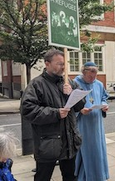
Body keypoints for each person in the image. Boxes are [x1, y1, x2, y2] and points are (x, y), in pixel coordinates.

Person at [20, 49, 86, 181]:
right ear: (47, 64)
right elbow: (27, 109)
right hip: (48, 144)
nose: (63, 67)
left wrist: (72, 93)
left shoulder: (69, 82)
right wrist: (55, 113)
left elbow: (80, 105)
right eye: (59, 64)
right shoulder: (36, 84)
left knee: (70, 176)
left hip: (69, 142)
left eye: (64, 64)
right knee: (43, 177)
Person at [73, 62, 109, 181]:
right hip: (83, 125)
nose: (93, 78)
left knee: (98, 151)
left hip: (97, 125)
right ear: (83, 73)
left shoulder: (98, 84)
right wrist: (80, 110)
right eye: (90, 76)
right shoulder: (75, 84)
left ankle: (99, 176)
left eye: (95, 76)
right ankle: (85, 177)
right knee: (86, 151)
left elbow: (104, 97)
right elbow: (69, 104)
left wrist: (104, 105)